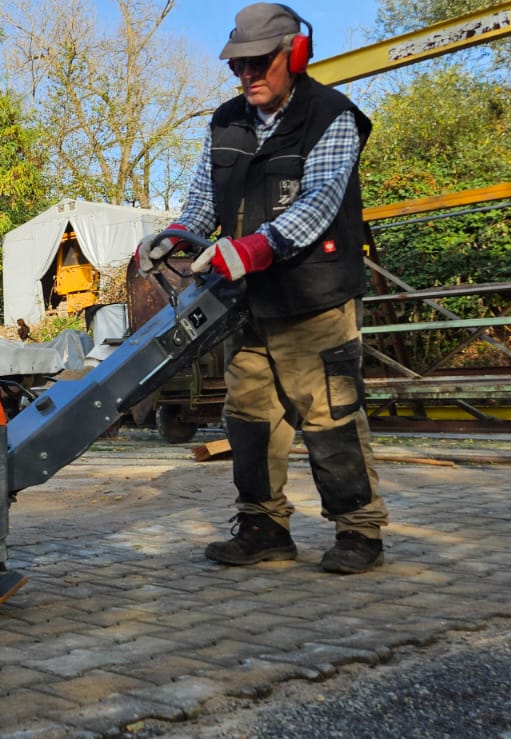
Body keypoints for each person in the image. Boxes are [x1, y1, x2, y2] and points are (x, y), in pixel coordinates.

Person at [141, 3, 388, 574]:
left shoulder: (331, 116)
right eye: (237, 66)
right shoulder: (226, 121)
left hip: (314, 298)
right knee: (248, 419)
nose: (246, 75)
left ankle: (358, 531)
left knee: (329, 418)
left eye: (257, 63)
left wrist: (253, 248)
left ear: (293, 55)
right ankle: (263, 525)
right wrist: (177, 234)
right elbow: (204, 202)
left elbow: (321, 202)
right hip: (247, 304)